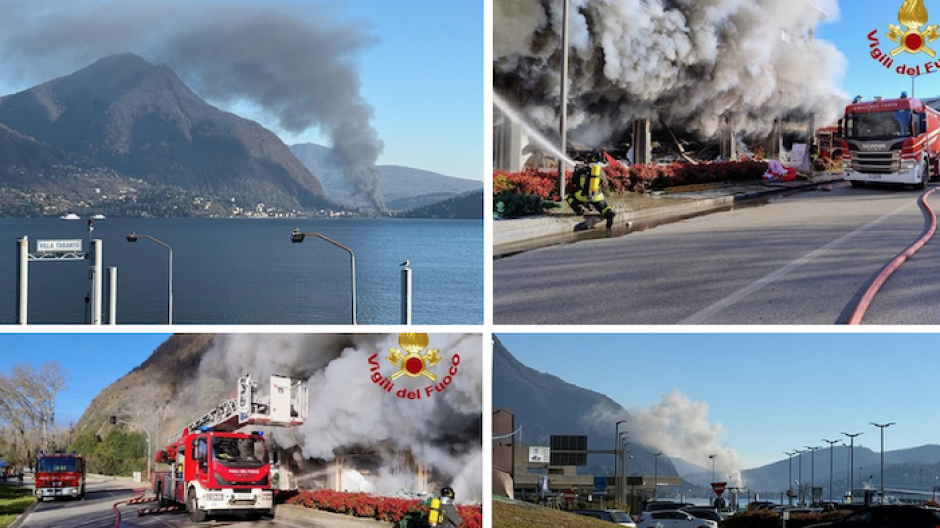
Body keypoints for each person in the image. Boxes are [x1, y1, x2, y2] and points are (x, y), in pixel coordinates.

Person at [566, 150, 616, 228]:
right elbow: (605, 184)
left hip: (581, 196)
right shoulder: (600, 172)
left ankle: (579, 208)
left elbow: (574, 182)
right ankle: (608, 213)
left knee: (568, 197)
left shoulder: (581, 170)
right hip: (597, 197)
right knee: (604, 208)